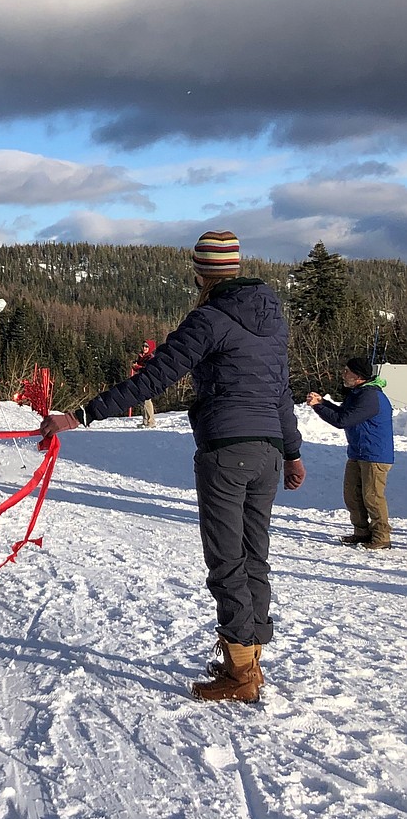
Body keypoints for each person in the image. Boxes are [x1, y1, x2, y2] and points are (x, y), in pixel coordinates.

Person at [40, 231, 306, 704]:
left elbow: (153, 379)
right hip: (266, 452)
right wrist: (291, 450)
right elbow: (280, 390)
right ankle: (245, 654)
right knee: (253, 555)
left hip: (227, 448)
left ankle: (241, 674)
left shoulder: (209, 319)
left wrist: (79, 414)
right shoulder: (273, 320)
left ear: (201, 273)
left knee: (227, 559)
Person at [307, 357, 394, 549]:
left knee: (372, 497)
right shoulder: (359, 393)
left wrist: (318, 406)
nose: (343, 374)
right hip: (358, 452)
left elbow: (343, 420)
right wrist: (323, 402)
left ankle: (381, 537)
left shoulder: (370, 396)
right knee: (352, 495)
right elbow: (343, 412)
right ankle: (361, 532)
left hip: (375, 454)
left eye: (347, 371)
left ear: (359, 376)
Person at [132, 340, 157, 427]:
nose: (144, 348)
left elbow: (147, 369)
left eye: (146, 347)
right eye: (143, 346)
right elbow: (139, 369)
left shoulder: (150, 357)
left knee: (147, 400)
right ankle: (145, 420)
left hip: (148, 381)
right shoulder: (142, 357)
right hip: (141, 380)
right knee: (142, 401)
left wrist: (137, 367)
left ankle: (151, 421)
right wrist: (135, 367)